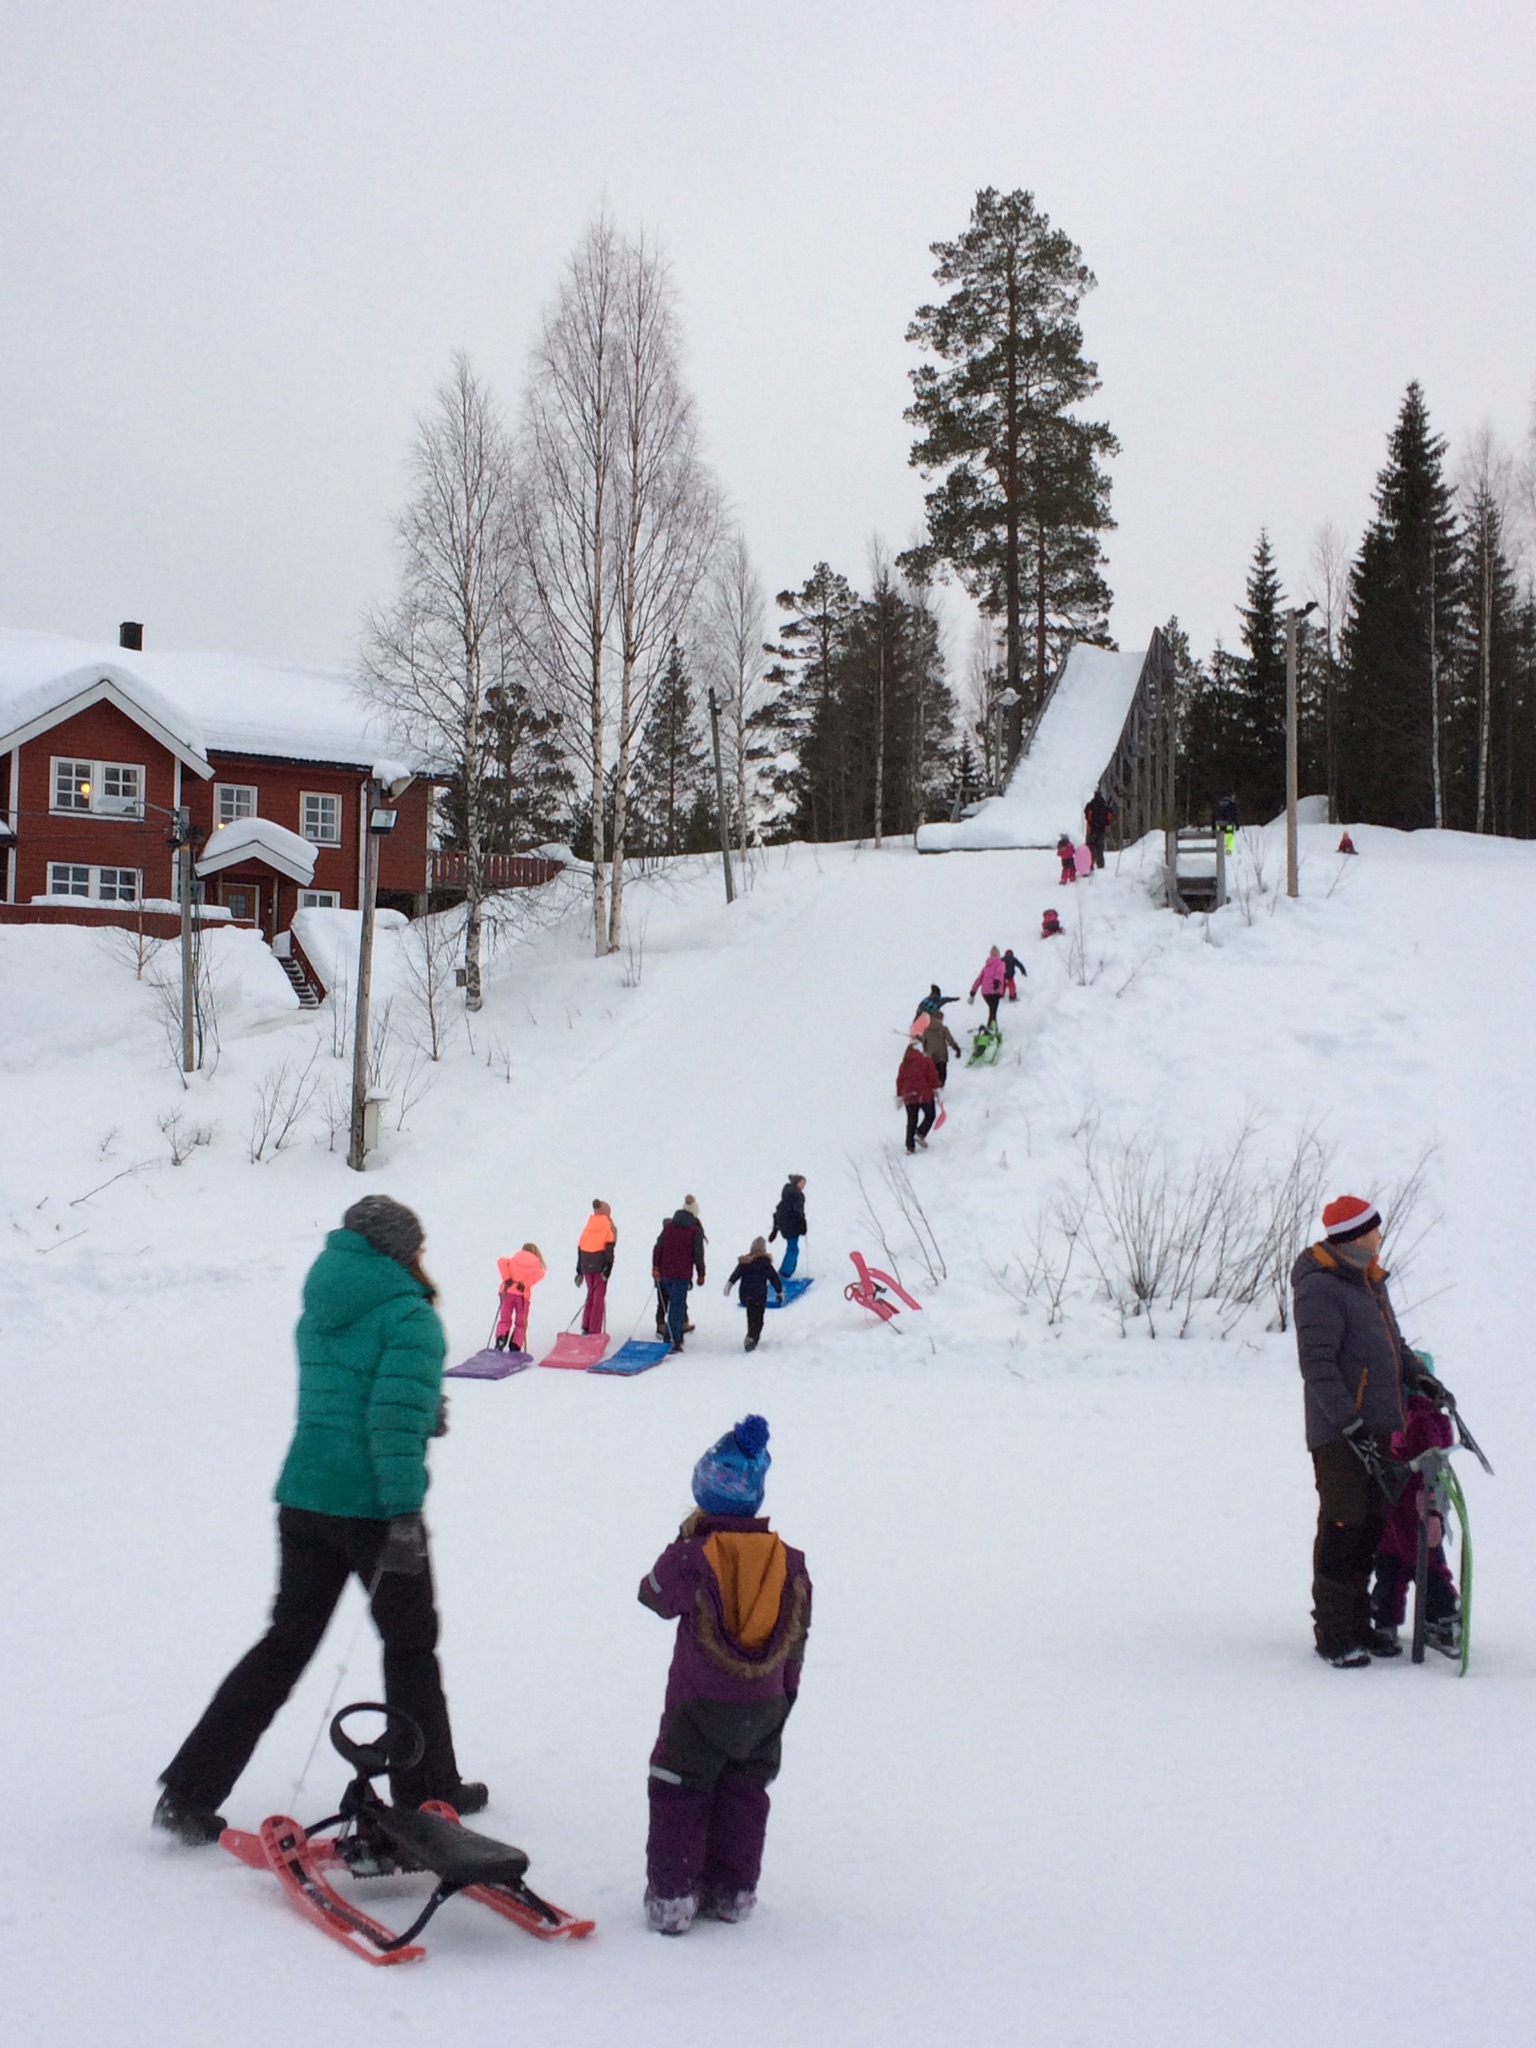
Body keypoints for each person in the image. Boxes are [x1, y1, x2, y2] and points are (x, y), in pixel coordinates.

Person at [154, 1196, 484, 1845]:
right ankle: (429, 1792)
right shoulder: (410, 1316)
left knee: (284, 1644)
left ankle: (189, 1792)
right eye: (416, 1246)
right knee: (411, 1646)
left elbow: (349, 1399)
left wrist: (419, 1411)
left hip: (304, 1500)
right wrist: (404, 1514)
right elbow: (389, 1424)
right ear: (398, 1250)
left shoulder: (321, 1307)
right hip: (375, 1511)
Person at [638, 1415, 811, 1934]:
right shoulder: (789, 1562)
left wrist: (683, 1544)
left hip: (697, 1707)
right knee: (745, 1794)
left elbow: (653, 1594)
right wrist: (785, 1694)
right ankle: (733, 1891)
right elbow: (797, 1636)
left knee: (679, 1790)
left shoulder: (693, 1558)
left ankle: (673, 1897)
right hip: (766, 1705)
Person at [1291, 1193, 1451, 1668]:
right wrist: (1349, 1422)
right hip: (1340, 1433)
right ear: (1354, 1236)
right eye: (1373, 1230)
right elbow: (1317, 1366)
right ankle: (1334, 1632)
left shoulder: (1369, 1281)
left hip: (1379, 1426)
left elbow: (1393, 1346)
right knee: (1343, 1526)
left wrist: (1418, 1376)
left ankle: (1359, 1623)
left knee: (1370, 1526)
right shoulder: (1320, 1287)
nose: (1379, 1236)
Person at [1370, 1391, 1461, 1652]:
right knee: (1397, 1568)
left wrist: (1431, 1509)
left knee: (1418, 1568)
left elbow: (1431, 1470)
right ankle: (1394, 1619)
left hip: (1411, 1511)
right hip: (1404, 1509)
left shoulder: (1417, 1419)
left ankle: (1437, 1618)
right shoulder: (1420, 1417)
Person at [653, 1207, 707, 1354]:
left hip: (665, 1273)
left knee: (673, 1304)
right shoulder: (694, 1231)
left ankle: (673, 1334)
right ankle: (672, 1339)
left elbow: (658, 1248)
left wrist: (656, 1267)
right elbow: (698, 1254)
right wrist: (701, 1273)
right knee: (677, 1306)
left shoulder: (668, 1228)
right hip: (682, 1275)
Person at [724, 1239, 784, 1351]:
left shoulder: (745, 1263)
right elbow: (774, 1278)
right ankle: (752, 1338)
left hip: (746, 1295)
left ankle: (751, 1336)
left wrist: (729, 1285)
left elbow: (735, 1275)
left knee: (751, 1316)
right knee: (759, 1319)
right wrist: (779, 1292)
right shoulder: (765, 1263)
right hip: (759, 1296)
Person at [494, 1243, 546, 1353]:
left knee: (505, 1319)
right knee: (521, 1323)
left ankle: (501, 1340)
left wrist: (507, 1278)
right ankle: (515, 1345)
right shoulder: (536, 1264)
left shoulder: (514, 1259)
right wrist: (525, 1283)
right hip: (522, 1296)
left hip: (507, 1292)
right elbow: (541, 1274)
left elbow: (501, 1261)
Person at [575, 1201, 616, 1337]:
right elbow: (609, 1250)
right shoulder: (608, 1226)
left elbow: (580, 1248)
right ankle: (595, 1330)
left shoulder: (589, 1226)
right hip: (600, 1266)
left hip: (586, 1265)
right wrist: (608, 1269)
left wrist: (579, 1271)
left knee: (590, 1294)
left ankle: (586, 1326)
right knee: (599, 1297)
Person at [895, 1039, 940, 1153]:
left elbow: (899, 1080)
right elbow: (932, 1075)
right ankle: (920, 1133)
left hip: (909, 1095)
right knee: (930, 1115)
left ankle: (910, 1147)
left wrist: (899, 1095)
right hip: (923, 1094)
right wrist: (936, 1088)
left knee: (911, 1120)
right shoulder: (926, 1060)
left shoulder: (904, 1063)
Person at [769, 1175, 807, 1280]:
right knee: (793, 1248)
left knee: (792, 1247)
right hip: (792, 1225)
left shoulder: (787, 1193)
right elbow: (798, 1211)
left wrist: (776, 1228)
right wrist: (802, 1224)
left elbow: (779, 1209)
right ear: (797, 1182)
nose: (803, 1186)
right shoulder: (798, 1195)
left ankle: (786, 1269)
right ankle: (785, 1272)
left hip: (784, 1224)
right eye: (802, 1183)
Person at [918, 1010, 961, 1088]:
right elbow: (950, 1040)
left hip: (931, 1056)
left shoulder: (927, 1030)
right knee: (942, 1075)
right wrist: (957, 1049)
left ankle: (933, 1089)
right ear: (940, 1019)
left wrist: (926, 1051)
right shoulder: (943, 1029)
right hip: (942, 1056)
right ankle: (940, 1089)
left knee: (933, 1074)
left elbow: (924, 1042)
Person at [969, 946, 1007, 1025]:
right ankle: (992, 1028)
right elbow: (1000, 972)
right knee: (993, 1011)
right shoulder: (1001, 963)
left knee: (992, 1010)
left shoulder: (986, 966)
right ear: (998, 954)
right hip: (995, 991)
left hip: (985, 992)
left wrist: (973, 990)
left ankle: (991, 1026)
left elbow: (979, 979)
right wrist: (997, 981)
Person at [1084, 789, 1114, 869]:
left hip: (1092, 829)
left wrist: (1092, 822)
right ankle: (1100, 864)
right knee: (1100, 847)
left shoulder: (1090, 805)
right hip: (1101, 830)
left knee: (1091, 846)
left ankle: (1090, 864)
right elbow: (1110, 817)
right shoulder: (1105, 806)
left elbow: (1087, 816)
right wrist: (1105, 823)